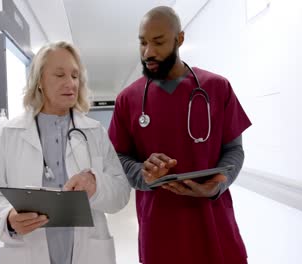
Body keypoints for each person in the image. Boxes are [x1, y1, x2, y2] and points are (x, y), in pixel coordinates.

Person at [108, 6, 252, 264]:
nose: (148, 52)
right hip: (160, 233)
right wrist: (143, 172)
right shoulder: (127, 100)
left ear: (179, 39)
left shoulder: (217, 88)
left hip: (215, 228)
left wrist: (217, 182)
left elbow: (234, 149)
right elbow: (119, 157)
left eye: (159, 42)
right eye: (143, 43)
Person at [0, 41, 131, 264]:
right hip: (29, 252)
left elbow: (121, 193)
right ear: (39, 81)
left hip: (89, 253)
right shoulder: (9, 135)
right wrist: (7, 219)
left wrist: (96, 186)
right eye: (59, 75)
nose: (70, 83)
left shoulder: (94, 132)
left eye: (75, 76)